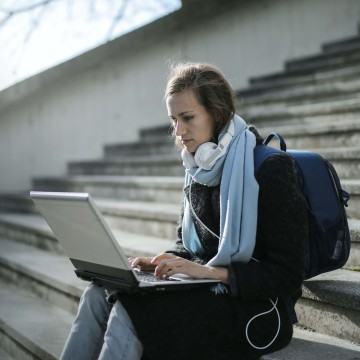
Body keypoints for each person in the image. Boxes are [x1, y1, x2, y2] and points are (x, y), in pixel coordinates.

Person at [60, 63, 308, 360]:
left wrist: (207, 272)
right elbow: (187, 246)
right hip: (205, 289)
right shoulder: (197, 169)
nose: (178, 131)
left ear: (217, 114)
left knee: (133, 311)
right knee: (97, 294)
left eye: (187, 118)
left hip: (256, 309)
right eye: (173, 119)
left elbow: (287, 274)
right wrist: (159, 264)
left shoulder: (271, 169)